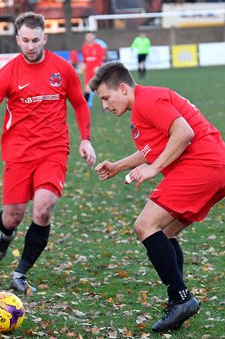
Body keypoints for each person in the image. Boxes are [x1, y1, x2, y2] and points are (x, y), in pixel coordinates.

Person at [0, 12, 96, 295]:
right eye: (25, 41)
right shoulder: (8, 73)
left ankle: (21, 272)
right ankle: (6, 235)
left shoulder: (63, 69)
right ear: (18, 40)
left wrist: (86, 140)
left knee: (42, 211)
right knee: (13, 217)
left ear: (45, 38)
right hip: (17, 152)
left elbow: (79, 104)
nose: (31, 46)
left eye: (36, 40)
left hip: (54, 150)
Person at [91, 61, 225, 332]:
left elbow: (184, 133)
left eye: (106, 98)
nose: (104, 106)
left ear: (122, 88)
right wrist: (118, 166)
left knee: (144, 226)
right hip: (213, 167)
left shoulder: (148, 99)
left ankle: (180, 299)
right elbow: (157, 145)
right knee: (163, 232)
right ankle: (179, 299)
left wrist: (154, 169)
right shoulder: (142, 106)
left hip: (202, 166)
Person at [81, 32, 105, 108]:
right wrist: (83, 64)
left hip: (96, 70)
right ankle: (85, 106)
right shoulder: (84, 47)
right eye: (87, 36)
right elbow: (84, 59)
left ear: (93, 37)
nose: (89, 38)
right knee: (87, 89)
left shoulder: (98, 46)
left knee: (100, 89)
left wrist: (98, 66)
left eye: (90, 36)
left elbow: (101, 58)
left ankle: (105, 106)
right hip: (88, 71)